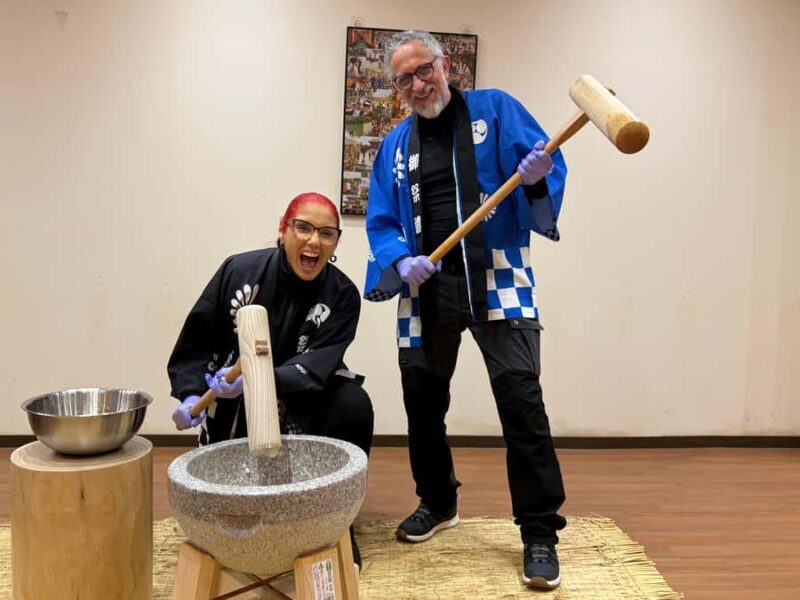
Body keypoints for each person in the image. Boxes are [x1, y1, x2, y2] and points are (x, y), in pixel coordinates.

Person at [364, 30, 567, 589]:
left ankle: (539, 532)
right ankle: (438, 501)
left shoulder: (496, 110)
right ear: (396, 87)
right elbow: (381, 219)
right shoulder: (393, 146)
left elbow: (545, 163)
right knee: (422, 404)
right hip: (425, 287)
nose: (416, 84)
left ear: (445, 64)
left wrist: (534, 178)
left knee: (522, 402)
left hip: (498, 276)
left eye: (423, 69)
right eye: (403, 78)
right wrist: (400, 260)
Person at [168, 192, 374, 568]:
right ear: (283, 229)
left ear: (336, 243)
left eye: (327, 233)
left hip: (302, 397)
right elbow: (198, 338)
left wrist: (261, 379)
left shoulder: (342, 295)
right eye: (304, 228)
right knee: (242, 497)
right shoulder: (239, 272)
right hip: (234, 404)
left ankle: (337, 525)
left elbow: (320, 363)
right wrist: (191, 394)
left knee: (353, 405)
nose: (314, 241)